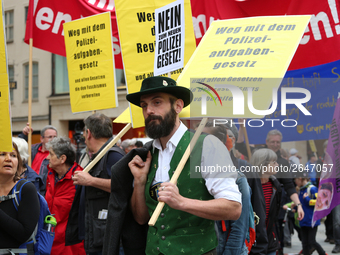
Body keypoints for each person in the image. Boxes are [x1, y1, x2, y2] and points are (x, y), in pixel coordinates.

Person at [126, 76, 242, 254]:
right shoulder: (149, 153)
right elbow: (141, 219)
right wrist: (140, 182)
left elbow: (233, 207)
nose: (148, 110)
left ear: (178, 106)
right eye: (144, 105)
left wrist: (182, 202)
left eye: (157, 102)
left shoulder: (207, 145)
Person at [66, 113, 125, 255]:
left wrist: (90, 181)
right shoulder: (98, 155)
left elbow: (123, 187)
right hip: (97, 235)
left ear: (88, 133)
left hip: (107, 238)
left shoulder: (113, 155)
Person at [236, 127, 304, 222]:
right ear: (266, 141)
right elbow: (240, 146)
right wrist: (241, 125)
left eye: (278, 142)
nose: (275, 145)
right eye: (272, 142)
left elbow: (289, 185)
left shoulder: (283, 163)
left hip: (273, 207)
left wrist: (298, 205)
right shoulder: (258, 152)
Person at [45, 137, 86, 255]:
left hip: (71, 246)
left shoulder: (80, 178)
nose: (47, 157)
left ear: (62, 158)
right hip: (50, 240)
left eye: (51, 154)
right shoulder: (50, 174)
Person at [0, 142, 40, 250]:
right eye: (2, 154)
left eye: (13, 155)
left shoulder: (26, 189)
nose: (8, 159)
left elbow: (24, 234)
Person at [250, 148, 282, 255]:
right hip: (253, 241)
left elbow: (274, 216)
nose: (277, 164)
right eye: (274, 162)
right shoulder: (249, 185)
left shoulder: (275, 185)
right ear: (262, 164)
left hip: (270, 240)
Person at [18, 123, 58, 196]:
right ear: (41, 139)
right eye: (50, 137)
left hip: (42, 191)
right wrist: (23, 135)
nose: (53, 140)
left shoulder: (56, 156)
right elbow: (18, 148)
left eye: (55, 137)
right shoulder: (31, 150)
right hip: (25, 186)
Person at [294, 173, 327, 255]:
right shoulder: (300, 190)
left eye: (296, 180)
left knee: (312, 241)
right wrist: (295, 207)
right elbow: (301, 204)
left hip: (312, 220)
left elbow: (319, 203)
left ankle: (323, 253)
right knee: (304, 243)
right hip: (303, 220)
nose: (295, 182)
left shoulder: (312, 189)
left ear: (300, 178)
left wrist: (307, 199)